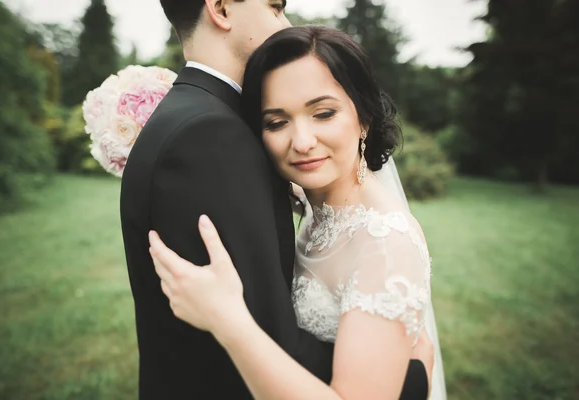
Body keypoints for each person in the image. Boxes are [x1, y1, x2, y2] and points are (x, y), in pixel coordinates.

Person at [120, 0, 433, 398]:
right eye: (276, 122)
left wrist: (229, 321)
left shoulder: (385, 239)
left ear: (364, 119)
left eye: (323, 114)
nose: (301, 142)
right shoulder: (311, 208)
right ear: (219, 8)